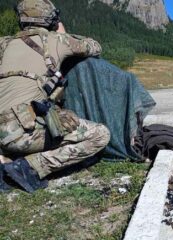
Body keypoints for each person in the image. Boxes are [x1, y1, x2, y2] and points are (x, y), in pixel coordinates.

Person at [0, 0, 110, 193]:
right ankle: (30, 167)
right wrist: (62, 32)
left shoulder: (4, 43)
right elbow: (95, 47)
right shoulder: (55, 40)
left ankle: (6, 159)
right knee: (100, 135)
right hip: (20, 132)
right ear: (50, 19)